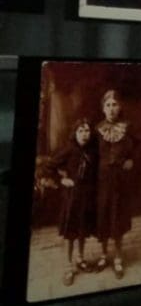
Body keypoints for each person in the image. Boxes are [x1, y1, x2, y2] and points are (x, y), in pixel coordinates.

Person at [45, 117, 97, 287]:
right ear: (75, 133)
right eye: (81, 130)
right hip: (72, 199)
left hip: (87, 198)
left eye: (87, 130)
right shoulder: (68, 150)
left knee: (82, 230)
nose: (84, 134)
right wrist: (62, 180)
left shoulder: (92, 151)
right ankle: (68, 266)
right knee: (70, 234)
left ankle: (80, 258)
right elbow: (49, 166)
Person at [95, 89, 137, 279]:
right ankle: (104, 255)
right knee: (103, 216)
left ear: (120, 107)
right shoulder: (97, 130)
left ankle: (118, 257)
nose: (111, 109)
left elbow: (137, 147)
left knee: (117, 218)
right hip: (102, 182)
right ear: (103, 109)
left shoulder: (127, 127)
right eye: (108, 105)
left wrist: (131, 159)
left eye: (114, 104)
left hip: (120, 182)